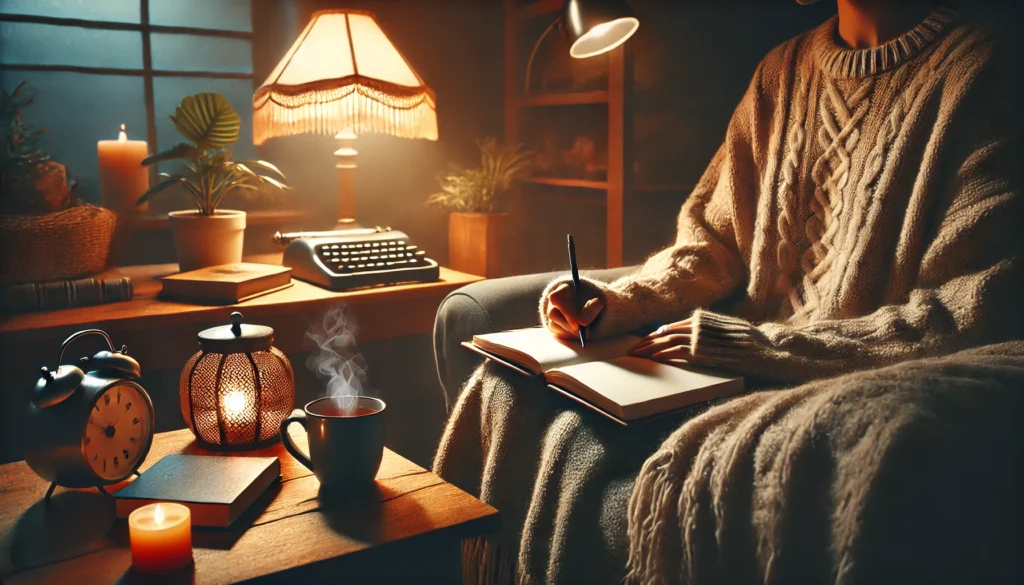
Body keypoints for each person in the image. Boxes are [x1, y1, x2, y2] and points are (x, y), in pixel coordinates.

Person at [435, 1, 1023, 583]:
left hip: (818, 377)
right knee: (515, 392)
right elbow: (712, 243)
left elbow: (970, 311)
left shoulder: (984, 69)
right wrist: (616, 302)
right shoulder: (781, 72)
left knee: (579, 437)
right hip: (721, 363)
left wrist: (752, 348)